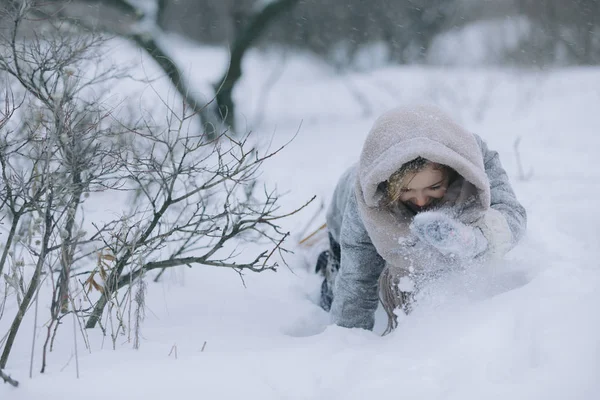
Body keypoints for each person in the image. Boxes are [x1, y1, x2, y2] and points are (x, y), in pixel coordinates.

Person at [317, 104, 527, 334]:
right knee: (363, 276)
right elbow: (357, 277)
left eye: (434, 187)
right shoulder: (364, 200)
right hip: (346, 220)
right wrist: (347, 340)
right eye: (406, 191)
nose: (420, 202)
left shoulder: (474, 158)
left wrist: (473, 241)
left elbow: (511, 213)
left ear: (452, 170)